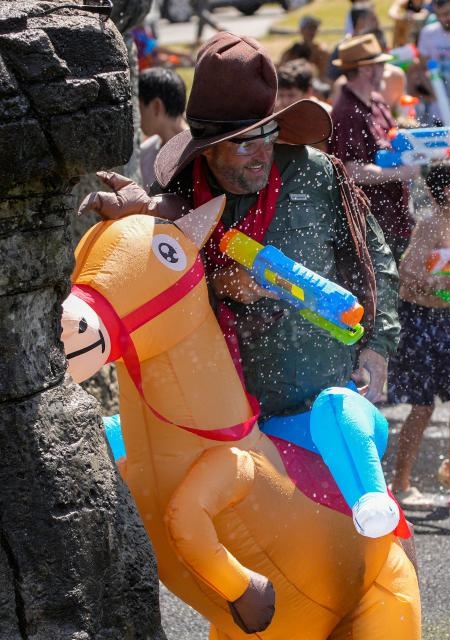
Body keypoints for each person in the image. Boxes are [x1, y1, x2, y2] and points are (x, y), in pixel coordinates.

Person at [79, 32, 400, 424]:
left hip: (324, 403)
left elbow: (374, 256)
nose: (262, 154)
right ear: (209, 146)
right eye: (244, 143)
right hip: (219, 417)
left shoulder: (314, 172)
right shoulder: (176, 194)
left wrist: (378, 346)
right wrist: (214, 283)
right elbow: (154, 296)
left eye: (269, 134)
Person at [389, 157, 450, 510]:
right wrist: (441, 284)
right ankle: (400, 483)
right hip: (415, 319)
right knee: (422, 405)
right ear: (449, 191)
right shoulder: (430, 226)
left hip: (444, 319)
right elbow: (407, 269)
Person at [330, 35, 419, 259]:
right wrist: (402, 172)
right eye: (381, 65)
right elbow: (352, 171)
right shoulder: (347, 113)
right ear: (366, 69)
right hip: (372, 223)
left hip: (394, 216)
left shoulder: (376, 100)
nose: (386, 70)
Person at [138, 67, 189, 189]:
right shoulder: (145, 153)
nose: (136, 117)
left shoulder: (199, 153)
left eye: (139, 108)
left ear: (156, 106)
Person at [279, 15, 331, 80]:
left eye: (314, 28)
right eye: (309, 28)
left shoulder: (322, 51)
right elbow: (282, 70)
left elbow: (326, 74)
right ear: (301, 30)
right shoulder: (291, 52)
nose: (312, 31)